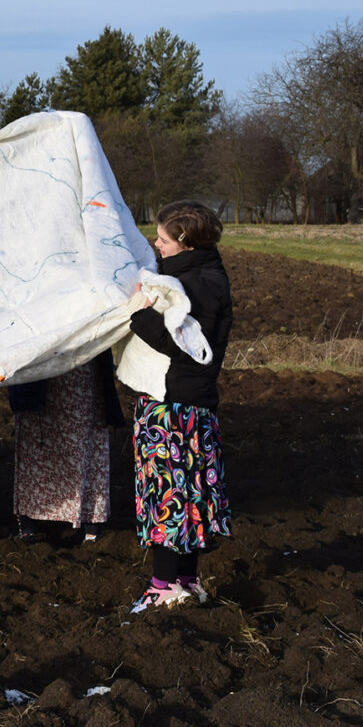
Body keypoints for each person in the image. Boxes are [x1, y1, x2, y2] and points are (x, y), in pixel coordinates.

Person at [126, 200, 233, 613]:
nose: (157, 244)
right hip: (187, 405)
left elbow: (185, 345)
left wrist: (141, 314)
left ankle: (163, 587)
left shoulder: (202, 285)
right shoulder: (198, 275)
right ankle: (186, 582)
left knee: (169, 495)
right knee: (186, 495)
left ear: (185, 243)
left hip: (176, 408)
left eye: (164, 239)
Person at [8, 351, 121, 544]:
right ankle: (29, 520)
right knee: (36, 440)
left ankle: (90, 520)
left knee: (83, 438)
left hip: (82, 365)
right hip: (40, 362)